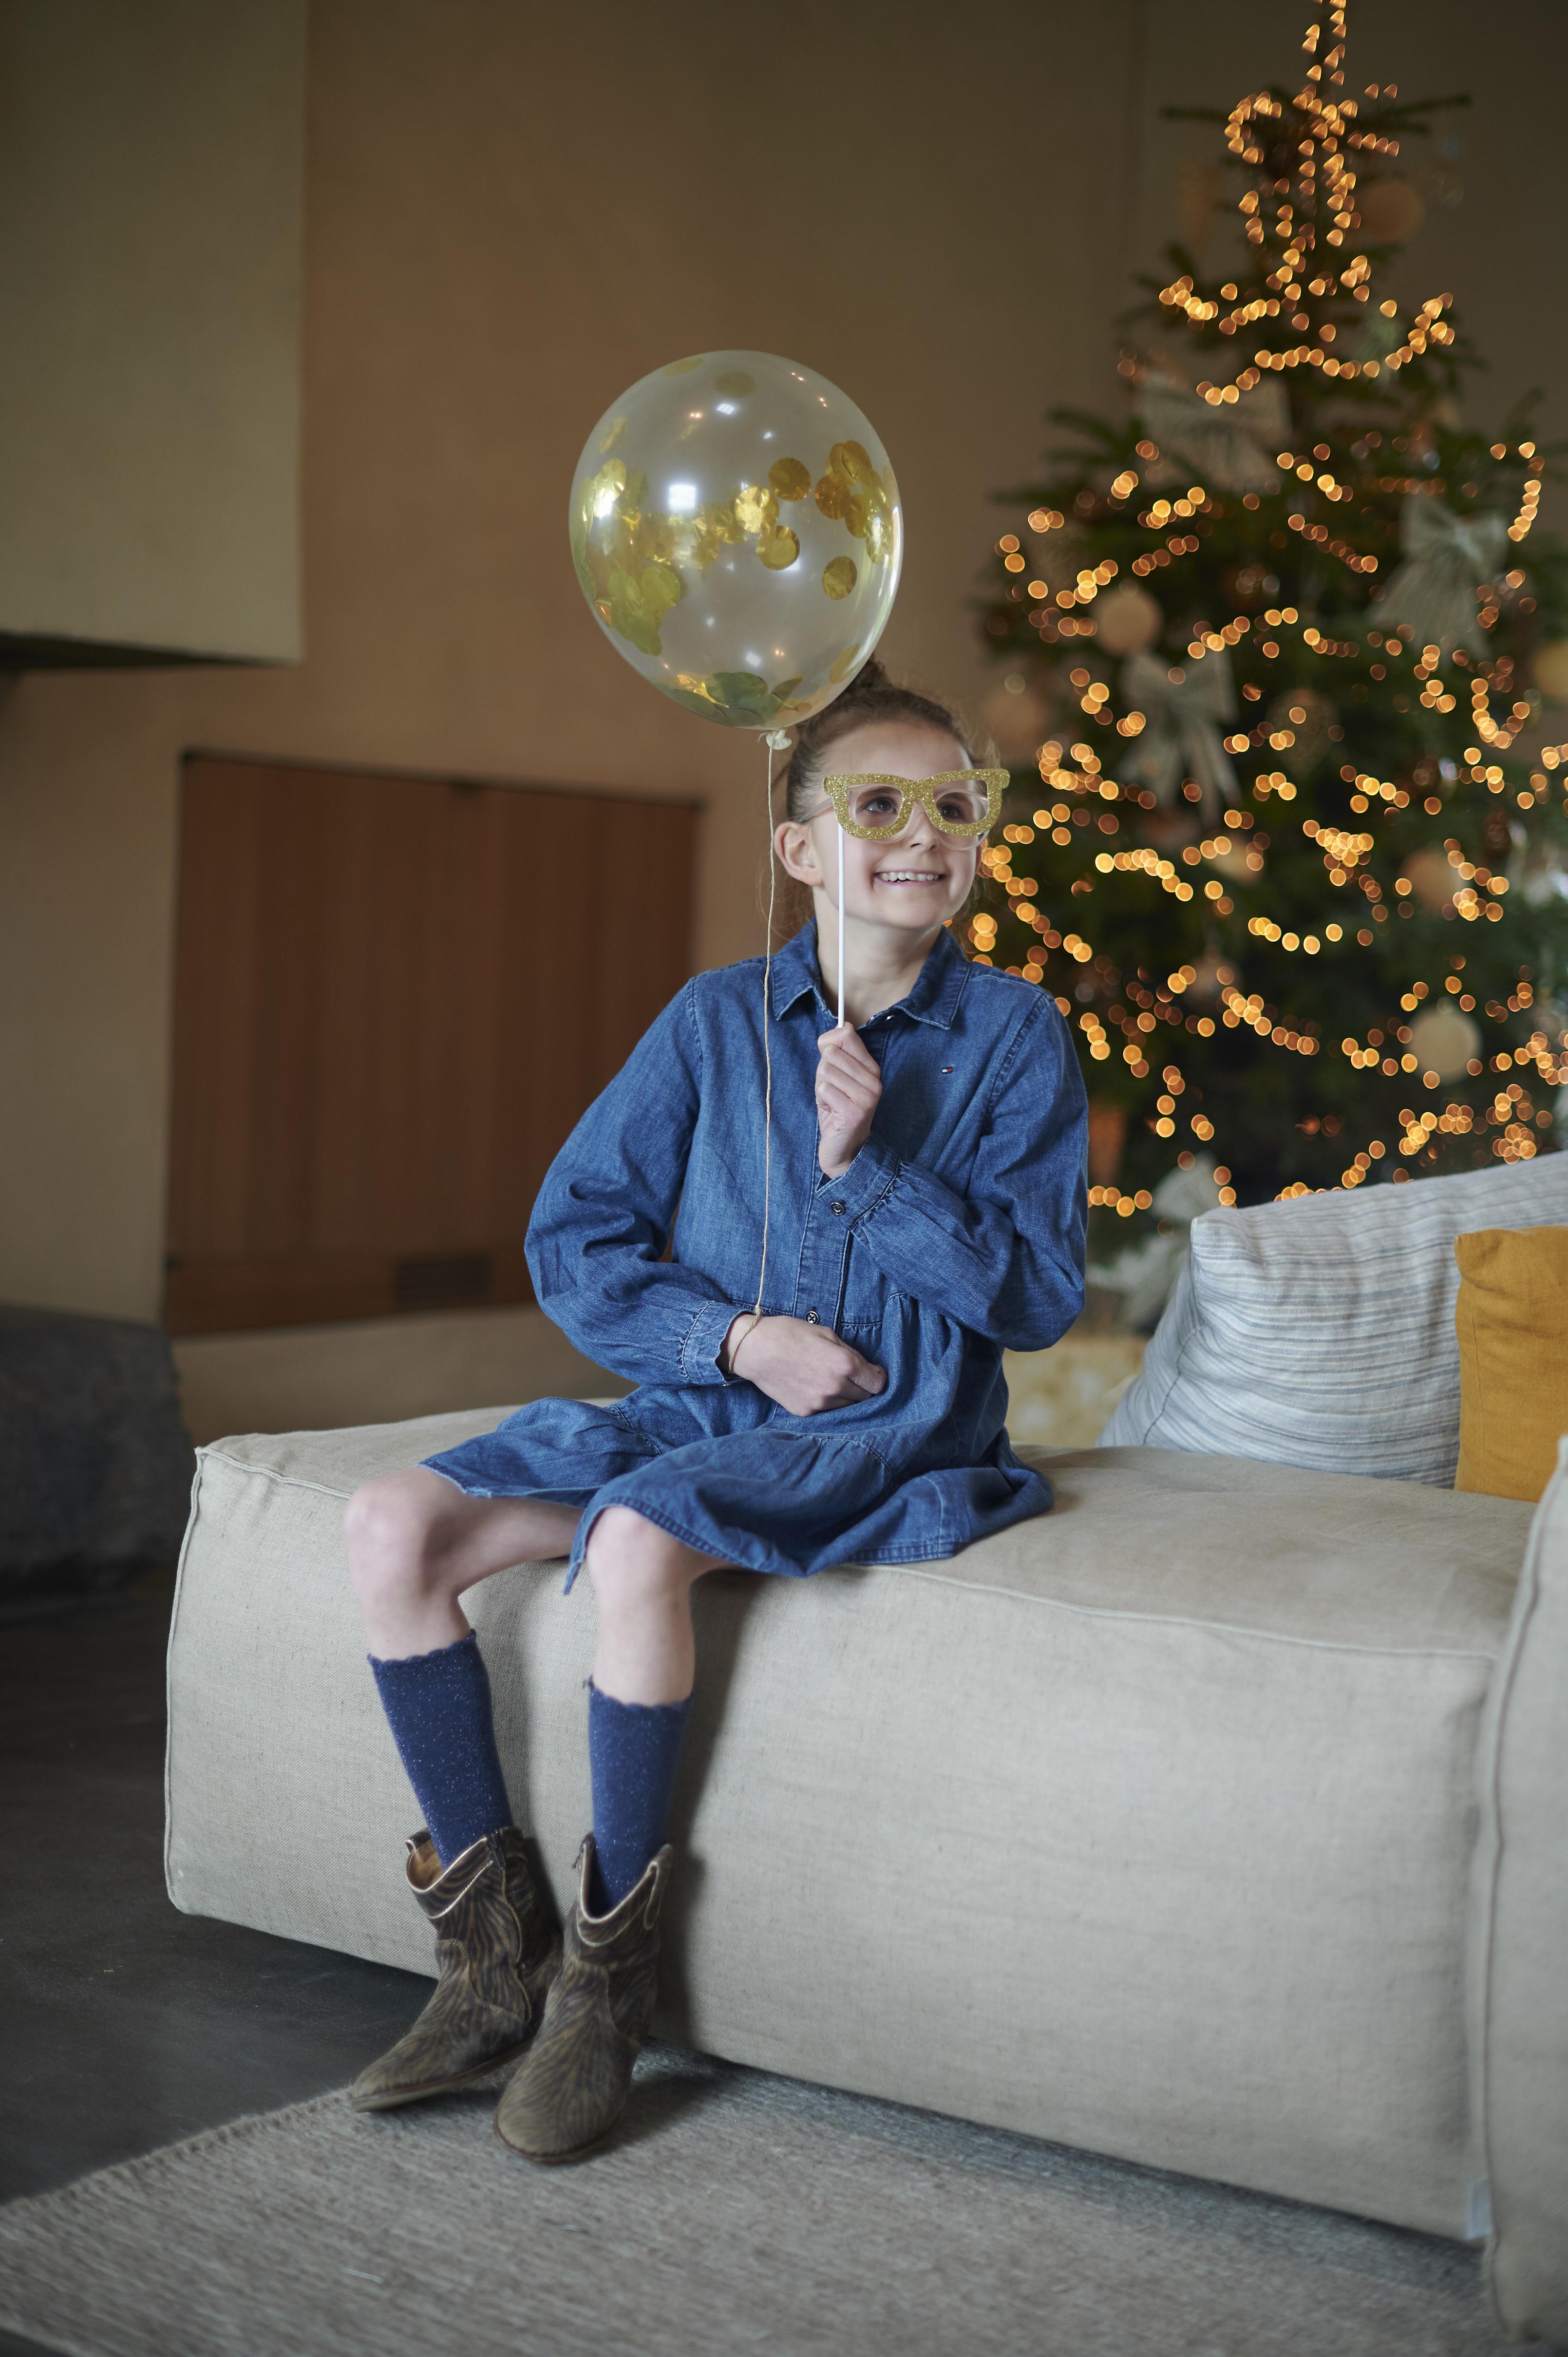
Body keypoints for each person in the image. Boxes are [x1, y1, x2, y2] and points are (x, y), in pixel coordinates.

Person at [342, 659, 1088, 2163]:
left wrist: (866, 1172)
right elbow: (577, 1236)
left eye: (955, 804)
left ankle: (605, 1993)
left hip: (893, 1433)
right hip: (708, 1406)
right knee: (391, 1527)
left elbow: (1031, 1298)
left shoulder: (1015, 1038)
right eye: (878, 805)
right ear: (799, 845)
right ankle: (492, 1964)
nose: (924, 833)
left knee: (633, 1537)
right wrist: (739, 1342)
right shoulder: (710, 1024)